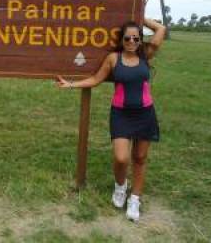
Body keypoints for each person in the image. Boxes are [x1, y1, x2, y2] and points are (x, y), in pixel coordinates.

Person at [56, 18, 166, 222]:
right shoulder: (113, 59)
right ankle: (121, 186)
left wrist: (139, 16)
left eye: (136, 37)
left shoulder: (145, 55)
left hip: (145, 113)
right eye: (127, 38)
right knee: (121, 158)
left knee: (140, 158)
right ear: (122, 40)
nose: (132, 41)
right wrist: (71, 84)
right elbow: (96, 80)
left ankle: (135, 199)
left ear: (140, 40)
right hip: (121, 114)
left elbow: (160, 29)